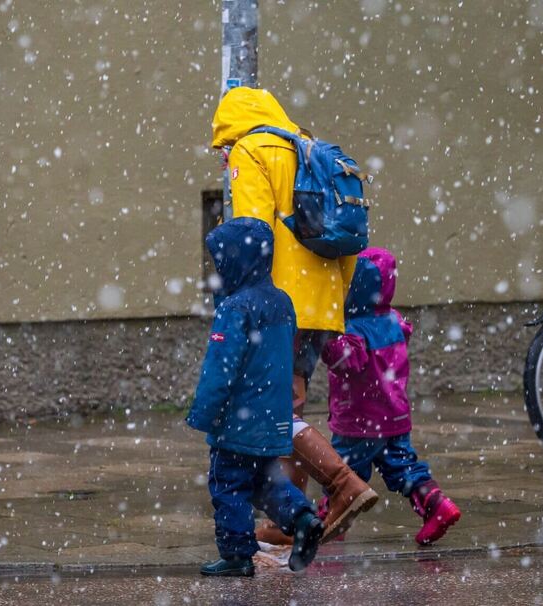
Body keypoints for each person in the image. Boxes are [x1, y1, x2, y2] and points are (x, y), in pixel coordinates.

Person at [211, 87, 378, 544]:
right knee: (291, 402)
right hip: (321, 299)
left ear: (233, 132)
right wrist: (332, 300)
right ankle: (293, 522)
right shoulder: (308, 147)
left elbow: (251, 235)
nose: (225, 157)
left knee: (276, 410)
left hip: (278, 301)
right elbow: (348, 237)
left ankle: (344, 485)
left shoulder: (252, 149)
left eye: (223, 148)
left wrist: (245, 306)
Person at [186, 217, 324, 576]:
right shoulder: (282, 302)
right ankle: (304, 518)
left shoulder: (235, 308)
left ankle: (236, 555)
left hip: (238, 418)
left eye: (222, 262)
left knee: (228, 482)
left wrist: (204, 413)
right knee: (265, 480)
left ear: (236, 261)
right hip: (271, 416)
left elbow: (221, 368)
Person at [320, 247, 462, 545]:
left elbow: (347, 361)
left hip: (359, 422)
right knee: (402, 466)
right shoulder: (394, 321)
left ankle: (328, 523)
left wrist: (325, 340)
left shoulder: (354, 330)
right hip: (395, 417)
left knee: (342, 474)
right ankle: (435, 504)